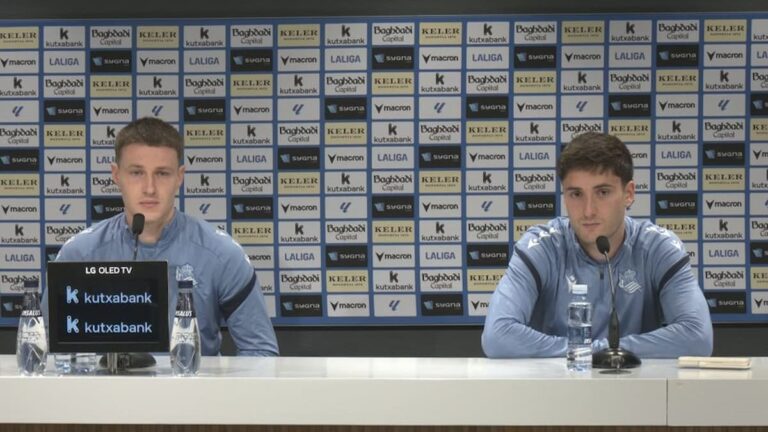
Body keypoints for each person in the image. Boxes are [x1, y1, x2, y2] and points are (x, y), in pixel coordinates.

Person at [48, 117, 278, 356]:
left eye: (162, 173)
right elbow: (45, 351)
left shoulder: (221, 254)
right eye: (137, 172)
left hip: (193, 381)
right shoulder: (80, 254)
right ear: (116, 175)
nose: (149, 188)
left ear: (179, 177)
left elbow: (260, 351)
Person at [482, 132, 713, 358]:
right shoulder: (542, 247)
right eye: (576, 194)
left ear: (628, 194)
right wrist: (599, 352)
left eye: (602, 192)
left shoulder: (658, 247)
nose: (588, 211)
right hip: (556, 383)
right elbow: (497, 336)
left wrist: (606, 351)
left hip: (635, 383)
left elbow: (697, 338)